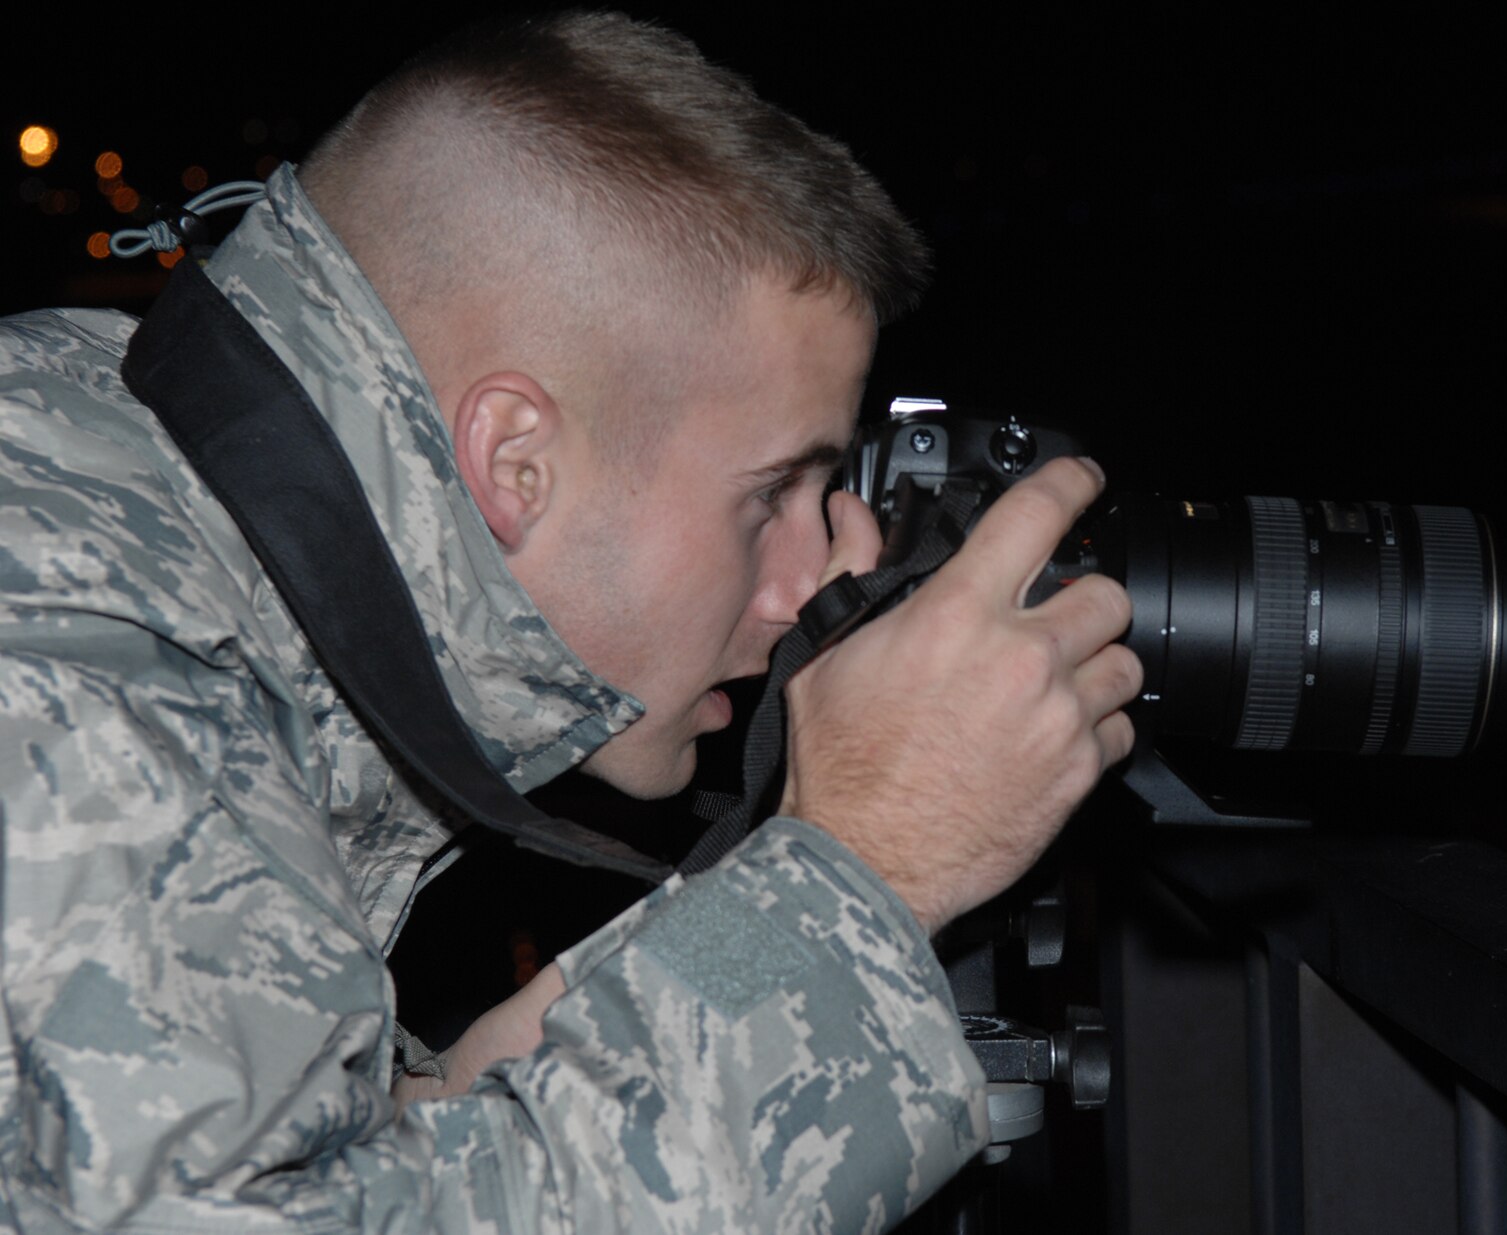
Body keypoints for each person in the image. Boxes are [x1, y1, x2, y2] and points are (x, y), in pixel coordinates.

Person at [0, 12, 1140, 1232]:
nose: (809, 578)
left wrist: (798, 882)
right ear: (516, 460)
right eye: (772, 494)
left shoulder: (126, 502)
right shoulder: (78, 666)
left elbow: (338, 1170)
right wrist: (872, 871)